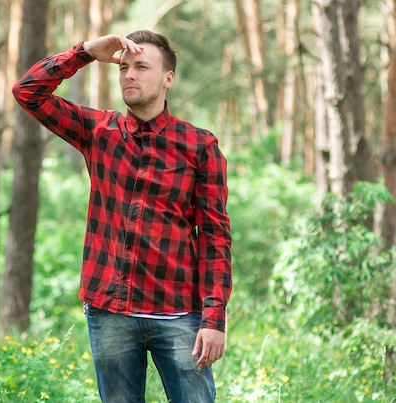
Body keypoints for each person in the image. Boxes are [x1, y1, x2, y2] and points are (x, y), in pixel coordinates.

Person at [13, 30, 232, 403]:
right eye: (124, 67)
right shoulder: (99, 131)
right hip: (110, 311)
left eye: (142, 67)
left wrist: (213, 319)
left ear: (168, 79)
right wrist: (83, 52)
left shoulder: (200, 146)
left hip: (177, 313)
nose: (129, 74)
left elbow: (214, 237)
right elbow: (28, 92)